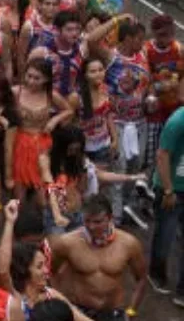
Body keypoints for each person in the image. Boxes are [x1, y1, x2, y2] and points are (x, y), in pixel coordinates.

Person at [50, 195, 147, 319]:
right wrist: (62, 305)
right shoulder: (67, 243)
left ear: (110, 218)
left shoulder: (129, 244)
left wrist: (131, 311)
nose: (91, 227)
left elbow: (141, 279)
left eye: (97, 222)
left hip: (113, 312)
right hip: (78, 311)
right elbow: (50, 273)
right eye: (87, 221)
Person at [149, 103, 184, 304]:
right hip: (171, 188)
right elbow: (162, 155)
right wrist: (168, 190)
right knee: (165, 236)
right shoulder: (178, 121)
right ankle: (156, 274)